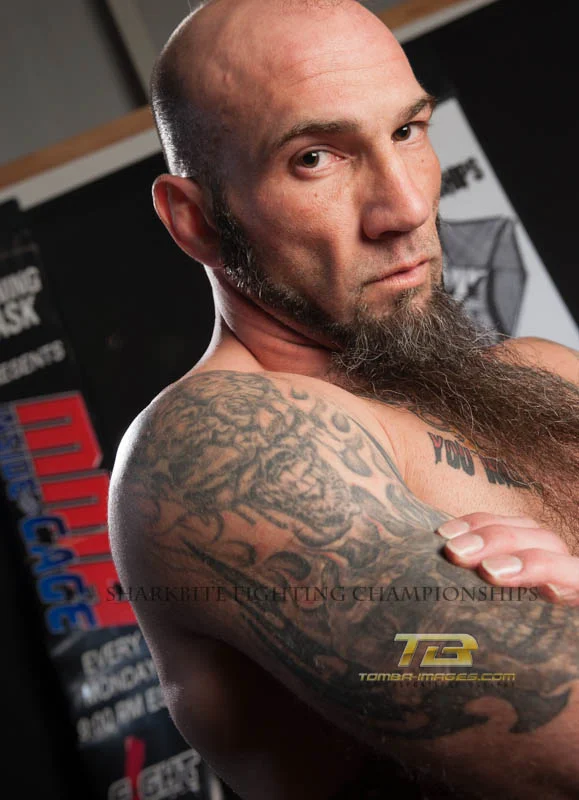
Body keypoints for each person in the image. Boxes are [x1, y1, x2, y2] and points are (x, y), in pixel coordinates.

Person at [108, 0, 579, 797]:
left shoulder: (543, 374)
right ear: (194, 220)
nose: (405, 209)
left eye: (407, 130)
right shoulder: (225, 445)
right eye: (315, 158)